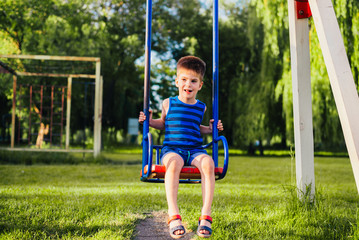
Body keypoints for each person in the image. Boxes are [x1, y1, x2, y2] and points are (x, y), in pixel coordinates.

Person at [139, 56, 224, 239]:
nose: (188, 84)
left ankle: (206, 215)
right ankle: (174, 215)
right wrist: (148, 122)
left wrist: (210, 129)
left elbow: (195, 127)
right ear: (177, 81)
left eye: (193, 81)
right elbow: (163, 124)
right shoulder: (168, 103)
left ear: (200, 85)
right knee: (174, 163)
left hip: (195, 149)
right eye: (184, 80)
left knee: (208, 163)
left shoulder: (201, 106)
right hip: (172, 149)